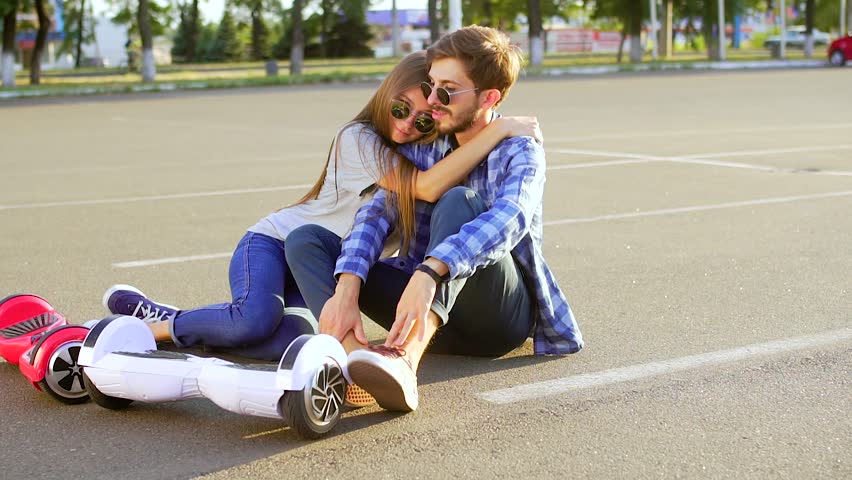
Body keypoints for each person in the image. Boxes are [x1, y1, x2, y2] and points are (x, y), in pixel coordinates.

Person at [100, 51, 541, 370]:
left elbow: (442, 188)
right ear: (386, 93)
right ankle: (161, 324)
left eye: (423, 120)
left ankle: (204, 335)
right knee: (252, 317)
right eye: (402, 108)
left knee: (295, 339)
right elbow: (425, 189)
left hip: (324, 264)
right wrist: (499, 126)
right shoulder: (362, 140)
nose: (408, 123)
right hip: (275, 244)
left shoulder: (419, 155)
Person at [285, 26, 584, 413]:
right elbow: (379, 212)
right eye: (430, 85)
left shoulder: (521, 150)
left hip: (494, 320)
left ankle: (405, 361)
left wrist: (431, 271)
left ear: (488, 96)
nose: (431, 101)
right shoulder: (429, 142)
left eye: (446, 91)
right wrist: (348, 286)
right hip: (424, 308)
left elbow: (511, 219)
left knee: (460, 202)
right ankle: (354, 360)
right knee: (306, 240)